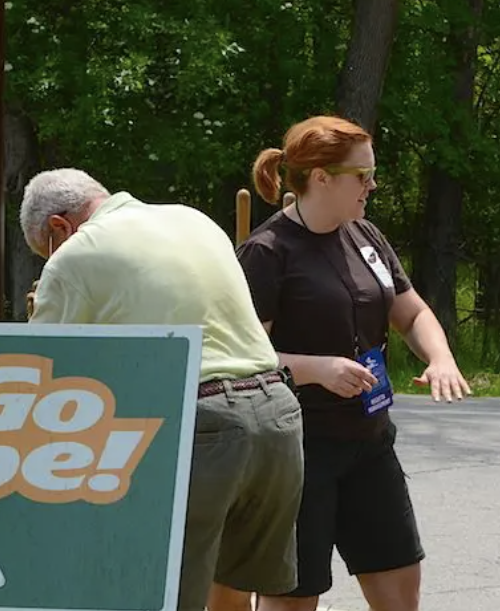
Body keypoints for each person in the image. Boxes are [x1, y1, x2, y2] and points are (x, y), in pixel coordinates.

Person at [20, 168, 306, 611]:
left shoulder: (74, 253)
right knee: (233, 596)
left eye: (45, 251)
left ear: (59, 227)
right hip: (277, 415)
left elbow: (45, 373)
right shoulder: (193, 219)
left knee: (162, 594)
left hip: (203, 425)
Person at [233, 115, 471, 611]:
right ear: (321, 177)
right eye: (362, 176)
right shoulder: (266, 253)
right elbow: (245, 358)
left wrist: (441, 356)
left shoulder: (365, 235)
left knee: (401, 591)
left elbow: (412, 311)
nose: (373, 185)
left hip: (370, 442)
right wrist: (318, 369)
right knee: (293, 600)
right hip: (298, 451)